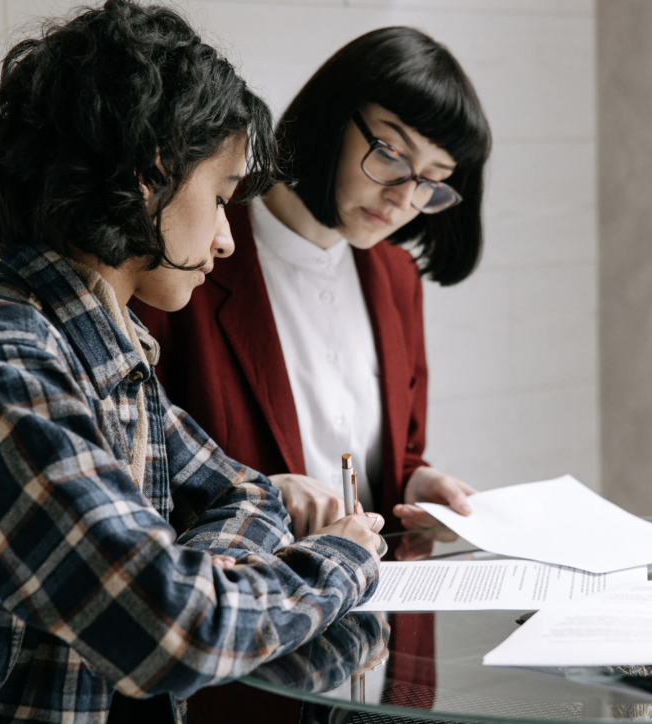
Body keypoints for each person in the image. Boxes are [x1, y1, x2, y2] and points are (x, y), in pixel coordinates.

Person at [0, 3, 385, 722]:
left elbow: (250, 497)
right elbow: (175, 633)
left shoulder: (112, 348)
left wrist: (196, 571)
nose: (226, 241)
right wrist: (338, 560)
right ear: (152, 177)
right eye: (219, 199)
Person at [132, 25, 491, 722]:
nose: (404, 198)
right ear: (333, 116)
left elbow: (387, 446)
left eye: (433, 184)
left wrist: (417, 479)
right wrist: (272, 499)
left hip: (376, 641)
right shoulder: (196, 255)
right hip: (249, 655)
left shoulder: (396, 275)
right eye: (391, 154)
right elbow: (145, 470)